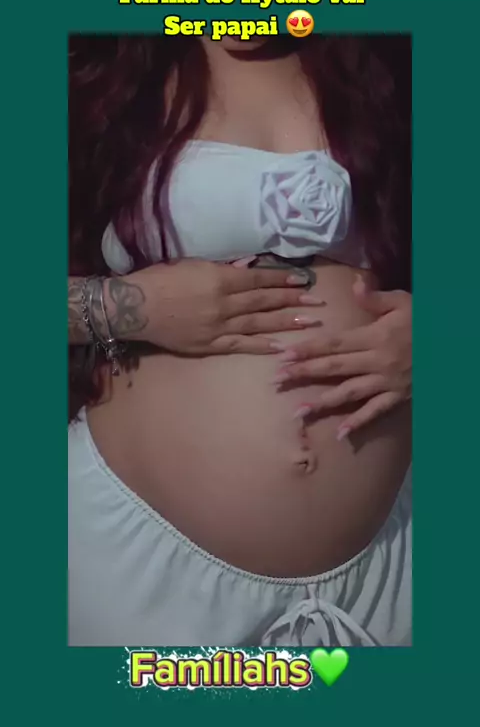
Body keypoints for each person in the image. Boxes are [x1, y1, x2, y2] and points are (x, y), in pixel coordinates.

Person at [68, 33, 412, 647]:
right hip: (141, 565)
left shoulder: (400, 70)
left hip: (393, 561)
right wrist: (135, 309)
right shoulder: (89, 81)